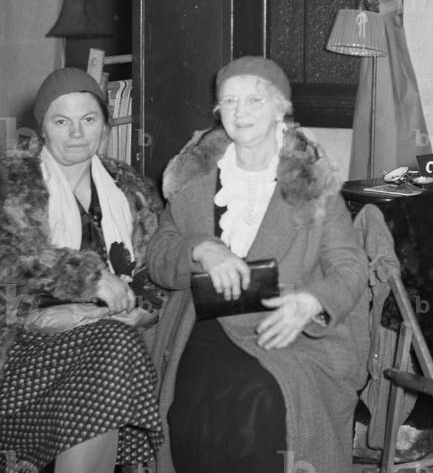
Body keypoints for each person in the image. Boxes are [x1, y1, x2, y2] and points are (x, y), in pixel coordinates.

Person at [147, 56, 369, 473]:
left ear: (280, 108)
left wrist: (312, 300)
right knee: (196, 400)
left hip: (288, 329)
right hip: (204, 323)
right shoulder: (193, 178)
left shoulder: (311, 183)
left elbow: (350, 265)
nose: (240, 111)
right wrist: (199, 249)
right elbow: (159, 255)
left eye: (254, 100)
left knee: (260, 397)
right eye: (229, 101)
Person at [0, 67, 163, 473]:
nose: (76, 133)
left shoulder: (127, 185)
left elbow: (152, 266)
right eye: (61, 121)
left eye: (88, 119)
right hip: (23, 349)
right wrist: (90, 277)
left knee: (113, 347)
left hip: (108, 340)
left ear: (105, 125)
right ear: (42, 129)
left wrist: (145, 306)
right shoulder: (13, 179)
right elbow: (9, 259)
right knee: (114, 350)